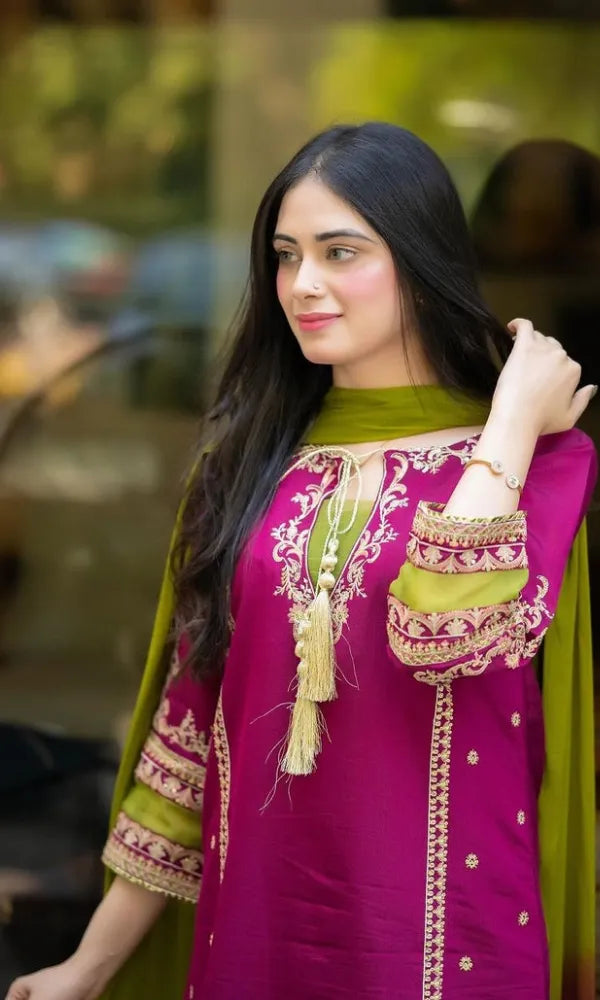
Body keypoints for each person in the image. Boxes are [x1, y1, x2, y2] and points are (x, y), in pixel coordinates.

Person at [6, 122, 597, 1000]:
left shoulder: (542, 469)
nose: (303, 285)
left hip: (444, 950)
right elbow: (188, 737)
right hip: (258, 939)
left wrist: (507, 425)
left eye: (340, 251)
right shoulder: (245, 466)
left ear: (421, 264)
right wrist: (86, 968)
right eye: (286, 255)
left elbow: (442, 633)